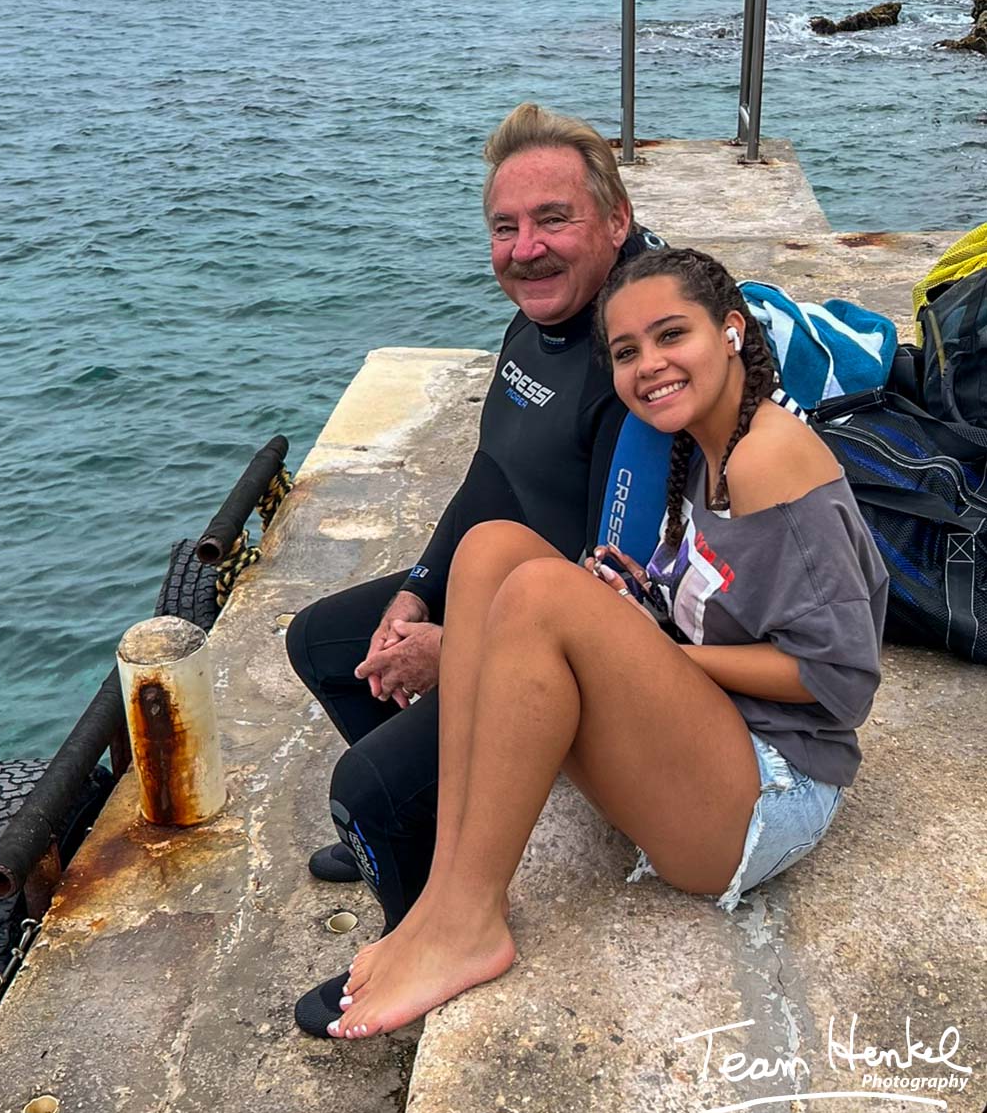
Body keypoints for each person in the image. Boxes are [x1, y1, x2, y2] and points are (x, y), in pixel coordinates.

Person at [321, 246, 889, 1040]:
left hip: (771, 791)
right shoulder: (695, 444)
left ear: (729, 331)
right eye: (626, 351)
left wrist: (650, 654)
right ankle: (449, 889)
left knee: (543, 596)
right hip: (711, 741)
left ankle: (468, 922)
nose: (648, 365)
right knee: (491, 549)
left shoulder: (769, 457)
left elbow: (838, 677)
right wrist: (639, 610)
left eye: (671, 335)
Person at [288, 103, 667, 1035]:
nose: (525, 251)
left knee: (364, 790)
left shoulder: (635, 357)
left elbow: (615, 588)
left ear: (615, 220)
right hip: (502, 582)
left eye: (553, 220)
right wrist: (419, 590)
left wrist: (456, 648)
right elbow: (492, 474)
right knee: (325, 643)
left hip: (581, 642)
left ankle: (428, 932)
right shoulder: (536, 326)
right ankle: (419, 842)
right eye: (505, 227)